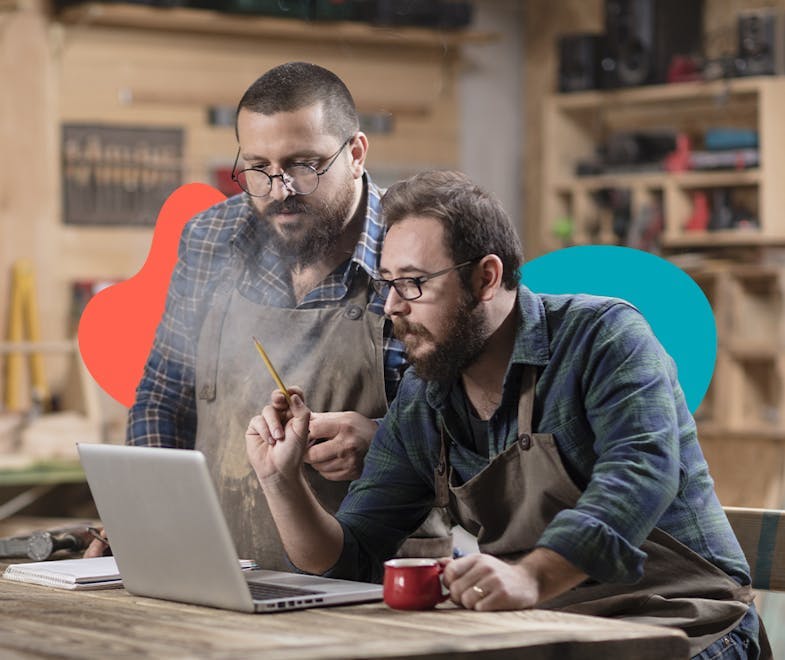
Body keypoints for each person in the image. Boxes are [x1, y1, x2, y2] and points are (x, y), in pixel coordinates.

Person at [246, 170, 766, 659]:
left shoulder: (605, 337)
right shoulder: (425, 397)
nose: (392, 307)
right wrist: (281, 481)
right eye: (387, 283)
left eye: (413, 283)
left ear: (486, 278)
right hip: (548, 632)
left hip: (684, 626)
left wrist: (532, 577)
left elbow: (640, 476)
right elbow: (352, 555)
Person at [86, 62, 451, 566]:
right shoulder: (210, 239)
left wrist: (385, 443)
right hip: (223, 568)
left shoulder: (417, 254)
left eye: (304, 165)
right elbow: (164, 396)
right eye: (258, 168)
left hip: (377, 579)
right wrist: (146, 515)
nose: (280, 190)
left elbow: (472, 430)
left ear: (357, 153)